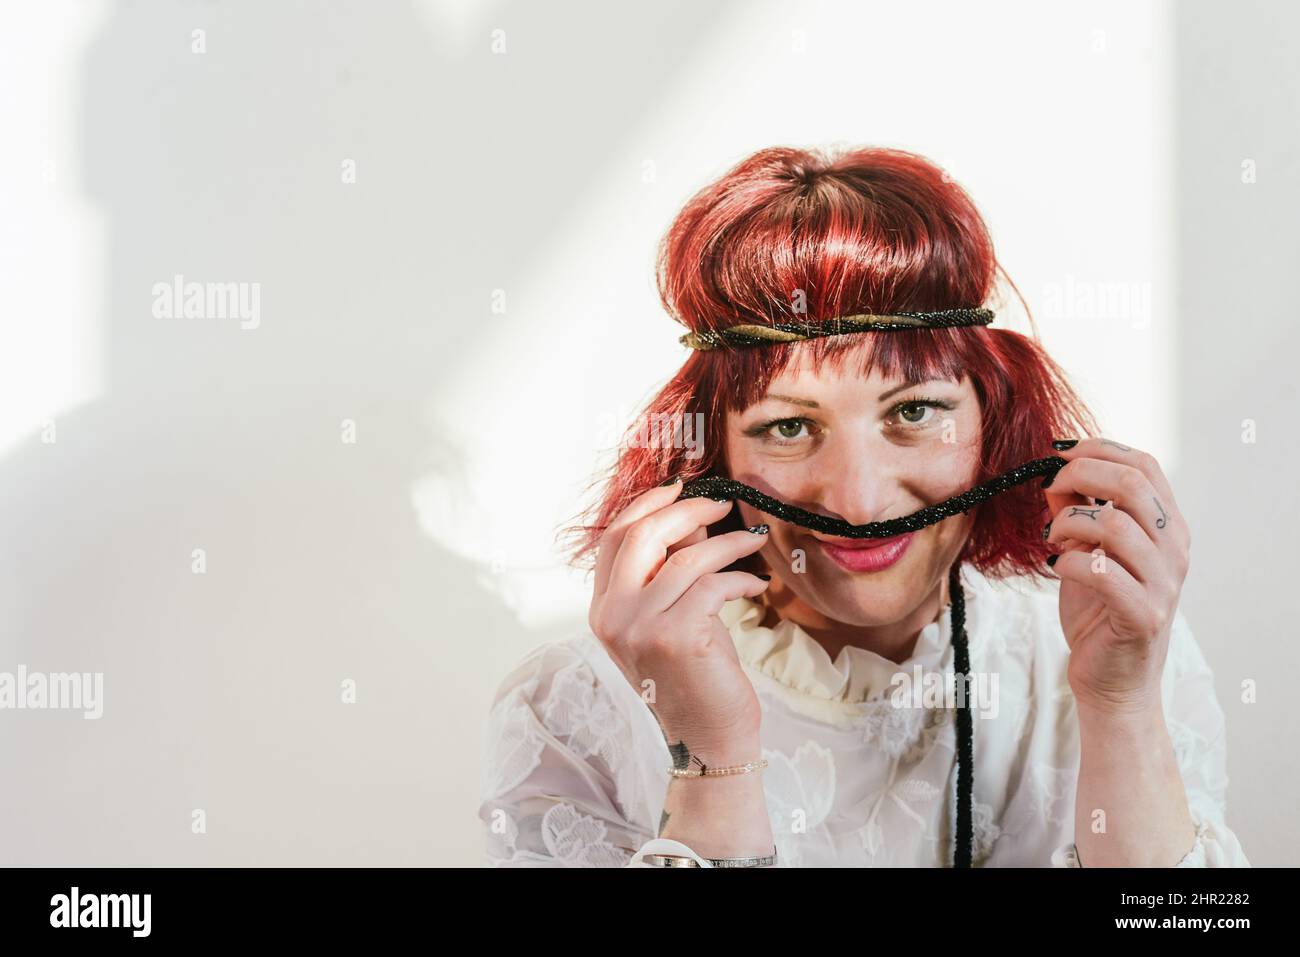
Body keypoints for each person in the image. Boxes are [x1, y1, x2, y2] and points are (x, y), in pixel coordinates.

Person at [476, 146, 1250, 867]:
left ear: (997, 421)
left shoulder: (1116, 646)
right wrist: (713, 759)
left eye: (914, 413)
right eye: (788, 426)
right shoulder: (572, 711)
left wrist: (1118, 707)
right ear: (713, 455)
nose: (857, 499)